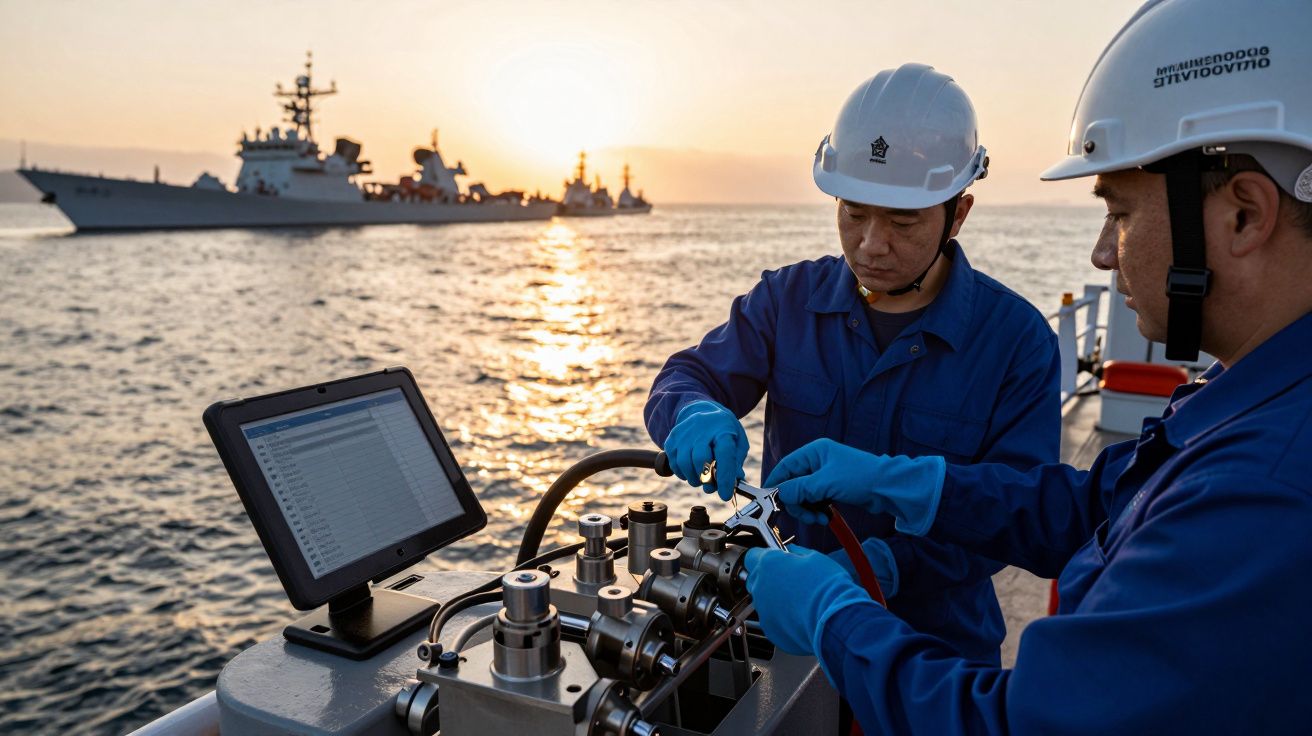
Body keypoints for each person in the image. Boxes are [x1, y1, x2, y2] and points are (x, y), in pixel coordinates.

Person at [744, 0, 1312, 732]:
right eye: (855, 213)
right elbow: (1079, 509)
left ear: (1244, 214)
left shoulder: (1263, 491)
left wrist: (833, 615)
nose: (1103, 253)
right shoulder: (1243, 409)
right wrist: (909, 483)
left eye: (1122, 213)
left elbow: (1019, 725)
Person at [645, 63, 1061, 664]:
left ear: (959, 213)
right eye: (853, 212)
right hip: (788, 637)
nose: (870, 243)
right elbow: (688, 376)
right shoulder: (787, 300)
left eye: (902, 221)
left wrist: (883, 567)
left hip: (934, 653)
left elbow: (1017, 507)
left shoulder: (1016, 342)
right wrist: (695, 412)